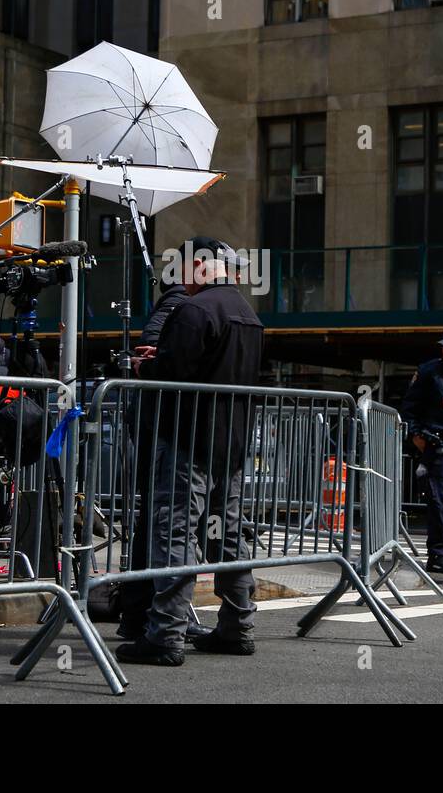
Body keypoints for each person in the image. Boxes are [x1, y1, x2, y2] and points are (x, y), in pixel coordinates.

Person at [116, 236, 264, 666]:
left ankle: (166, 635)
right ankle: (238, 627)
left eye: (180, 267)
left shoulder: (194, 310)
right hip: (231, 447)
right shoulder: (247, 314)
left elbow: (175, 372)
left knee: (174, 534)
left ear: (200, 265)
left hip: (188, 441)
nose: (177, 275)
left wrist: (148, 364)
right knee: (228, 537)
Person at [398, 326, 443, 575]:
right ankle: (438, 554)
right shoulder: (429, 371)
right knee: (438, 503)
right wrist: (416, 435)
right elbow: (410, 407)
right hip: (437, 445)